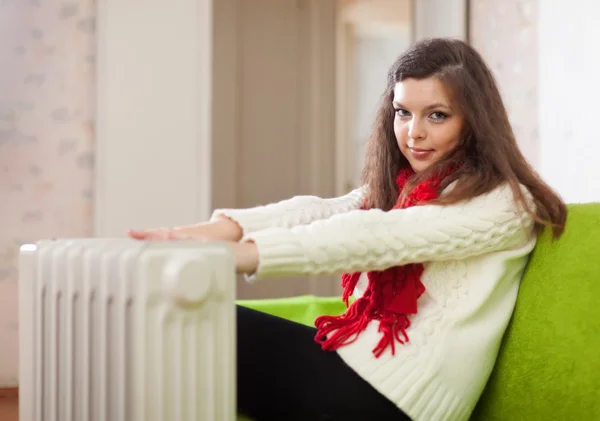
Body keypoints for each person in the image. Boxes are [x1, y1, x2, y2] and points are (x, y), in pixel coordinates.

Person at [129, 38, 567, 421]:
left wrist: (239, 255)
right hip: (360, 368)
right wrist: (210, 232)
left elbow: (378, 237)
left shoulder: (506, 203)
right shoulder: (405, 188)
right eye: (402, 112)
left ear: (474, 121)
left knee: (197, 329)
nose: (413, 133)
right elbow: (319, 213)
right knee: (184, 327)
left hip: (396, 400)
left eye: (436, 115)